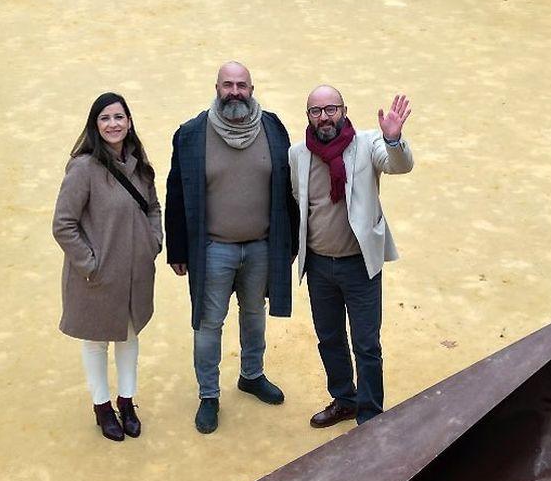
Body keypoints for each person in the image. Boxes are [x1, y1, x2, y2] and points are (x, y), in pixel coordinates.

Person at [166, 62, 296, 434]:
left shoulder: (272, 127)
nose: (234, 91)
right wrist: (178, 249)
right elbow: (177, 192)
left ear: (252, 89)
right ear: (217, 87)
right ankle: (209, 394)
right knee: (209, 324)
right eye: (228, 85)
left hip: (260, 248)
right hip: (213, 250)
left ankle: (251, 375)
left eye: (241, 85)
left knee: (254, 315)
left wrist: (286, 243)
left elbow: (287, 188)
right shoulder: (192, 134)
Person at [290, 86, 414, 429]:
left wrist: (394, 139)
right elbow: (298, 203)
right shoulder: (297, 154)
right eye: (316, 111)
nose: (324, 116)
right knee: (329, 337)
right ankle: (344, 399)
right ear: (308, 117)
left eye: (331, 109)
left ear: (344, 110)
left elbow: (399, 165)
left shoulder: (369, 143)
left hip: (359, 264)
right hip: (318, 265)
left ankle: (370, 414)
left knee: (366, 343)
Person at [53, 92, 163, 442]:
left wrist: (153, 242)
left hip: (135, 271)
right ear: (95, 125)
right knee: (97, 341)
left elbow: (153, 207)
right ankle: (102, 407)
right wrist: (91, 264)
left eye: (119, 117)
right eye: (105, 118)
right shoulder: (83, 168)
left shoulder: (139, 164)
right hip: (97, 277)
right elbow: (63, 224)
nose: (113, 124)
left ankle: (127, 402)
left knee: (129, 336)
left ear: (128, 122)